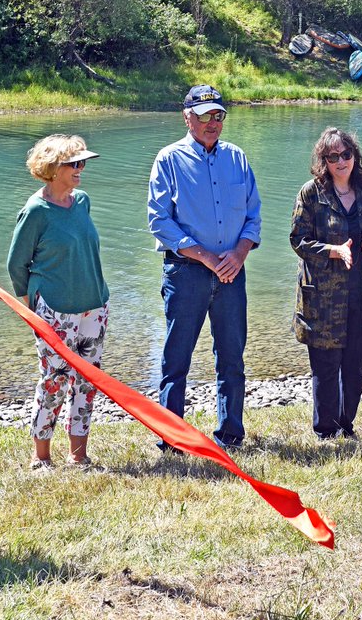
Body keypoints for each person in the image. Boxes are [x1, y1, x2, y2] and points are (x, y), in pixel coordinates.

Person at [147, 85, 261, 450]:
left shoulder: (238, 158)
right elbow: (159, 221)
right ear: (187, 118)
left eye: (218, 115)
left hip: (231, 272)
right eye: (204, 116)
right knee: (176, 359)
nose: (212, 123)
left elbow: (254, 216)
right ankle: (171, 437)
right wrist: (206, 257)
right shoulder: (168, 159)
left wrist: (240, 253)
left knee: (231, 357)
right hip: (187, 274)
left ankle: (230, 435)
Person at [7, 135, 110, 470]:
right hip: (54, 310)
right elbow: (16, 264)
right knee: (54, 381)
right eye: (74, 164)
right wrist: (31, 309)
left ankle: (79, 456)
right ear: (52, 169)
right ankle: (42, 459)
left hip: (94, 305)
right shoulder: (36, 211)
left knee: (88, 381)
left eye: (83, 162)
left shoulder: (83, 201)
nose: (81, 169)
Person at [290, 128, 362, 439]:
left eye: (345, 155)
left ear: (355, 156)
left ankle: (346, 425)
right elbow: (298, 240)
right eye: (332, 156)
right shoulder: (311, 193)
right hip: (322, 297)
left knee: (355, 365)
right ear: (323, 161)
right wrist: (332, 251)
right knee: (325, 365)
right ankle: (325, 431)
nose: (340, 161)